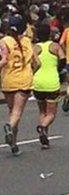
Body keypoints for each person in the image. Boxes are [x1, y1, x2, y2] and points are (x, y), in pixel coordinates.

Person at [1, 15, 39, 156]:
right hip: (23, 80)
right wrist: (32, 72)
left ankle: (14, 145)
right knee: (17, 113)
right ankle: (9, 128)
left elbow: (3, 60)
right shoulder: (27, 42)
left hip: (8, 79)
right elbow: (37, 63)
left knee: (12, 111)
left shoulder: (4, 41)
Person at [33, 24, 65, 149]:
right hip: (52, 81)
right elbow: (63, 60)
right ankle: (43, 127)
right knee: (51, 113)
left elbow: (33, 63)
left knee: (42, 110)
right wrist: (57, 69)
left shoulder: (35, 48)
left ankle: (45, 138)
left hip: (38, 81)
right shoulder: (55, 46)